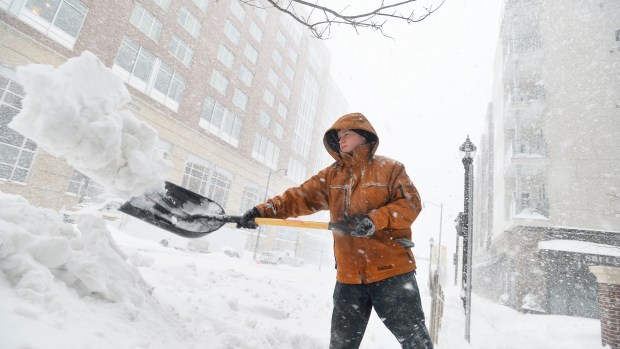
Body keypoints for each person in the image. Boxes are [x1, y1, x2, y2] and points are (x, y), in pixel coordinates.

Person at [238, 112, 433, 349]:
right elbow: (298, 198)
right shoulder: (332, 175)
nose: (341, 139)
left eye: (346, 134)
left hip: (392, 273)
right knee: (341, 346)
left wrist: (375, 220)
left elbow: (411, 204)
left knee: (417, 343)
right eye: (338, 135)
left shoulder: (390, 169)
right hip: (349, 277)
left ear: (363, 136)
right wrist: (261, 212)